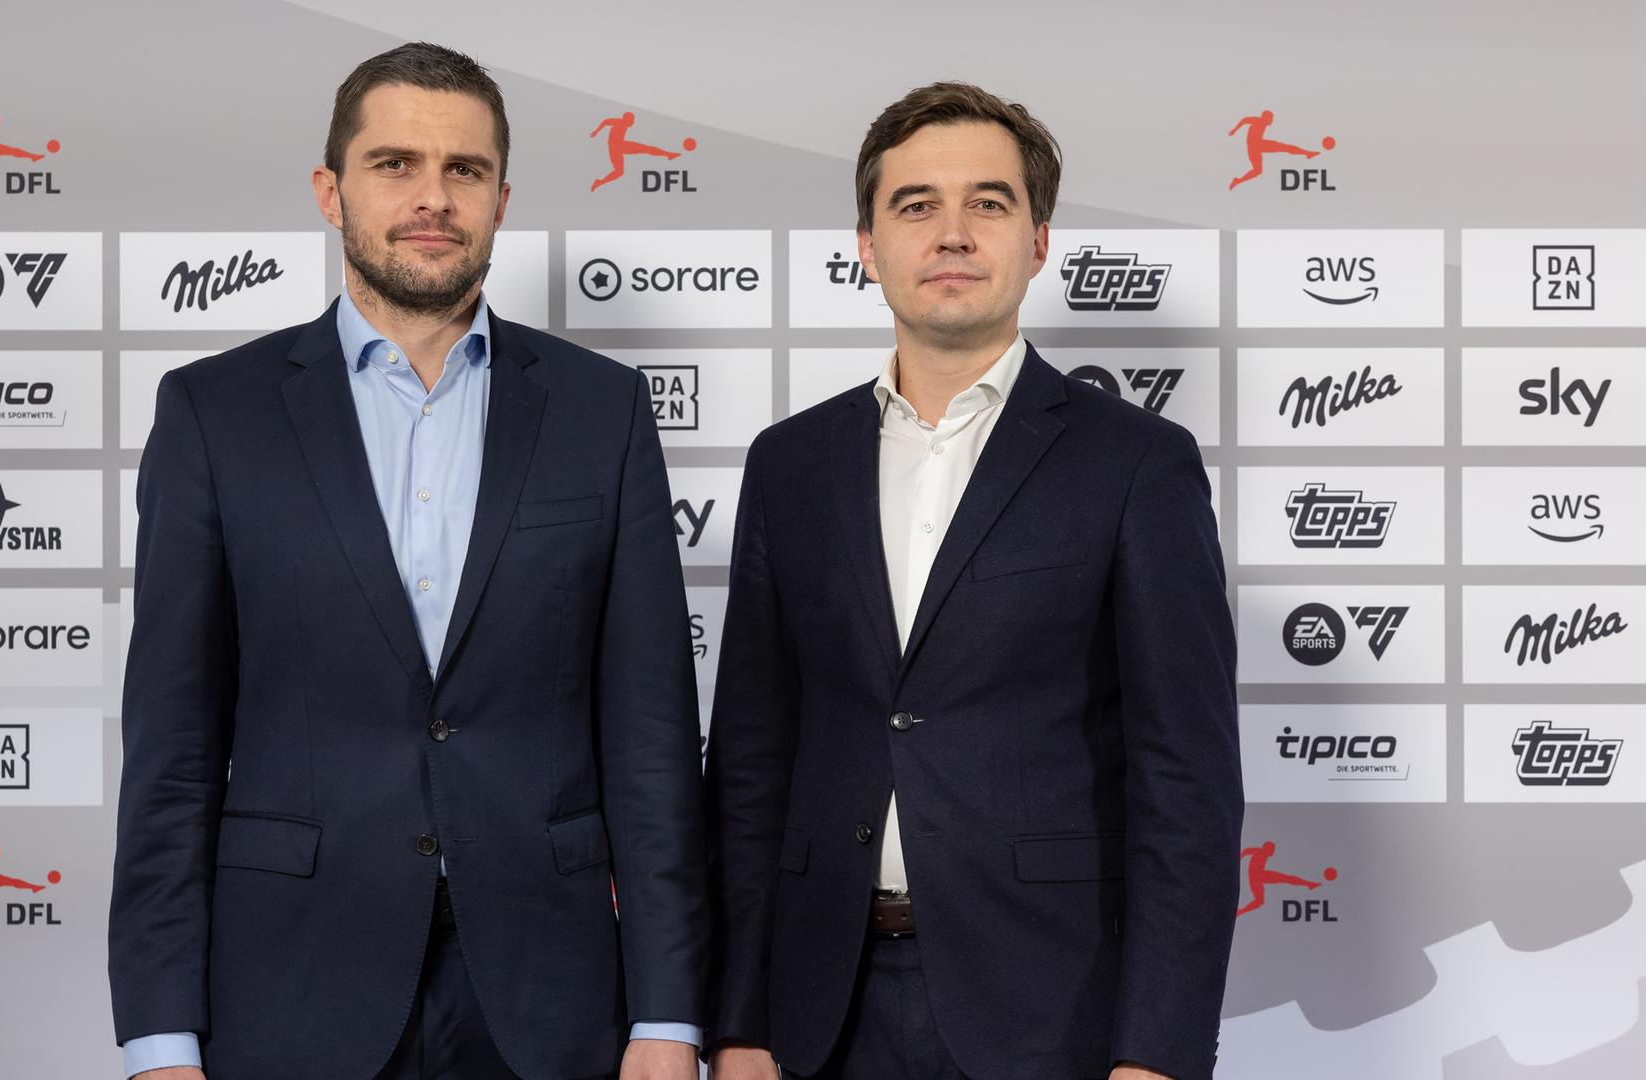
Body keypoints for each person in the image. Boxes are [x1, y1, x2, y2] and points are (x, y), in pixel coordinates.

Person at [108, 42, 707, 1080]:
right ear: (329, 191)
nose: (433, 198)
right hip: (292, 988)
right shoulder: (215, 413)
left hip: (550, 992)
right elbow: (173, 751)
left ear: (501, 201)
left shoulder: (602, 410)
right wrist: (160, 1036)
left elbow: (650, 740)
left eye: (464, 170)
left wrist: (668, 1016)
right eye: (395, 165)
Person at [704, 82, 1242, 1080]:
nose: (951, 232)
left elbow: (1187, 787)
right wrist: (739, 1025)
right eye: (916, 205)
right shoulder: (791, 463)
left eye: (988, 203)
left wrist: (1157, 1056)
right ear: (867, 245)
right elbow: (750, 762)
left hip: (1053, 1014)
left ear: (1038, 242)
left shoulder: (1136, 463)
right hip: (820, 1017)